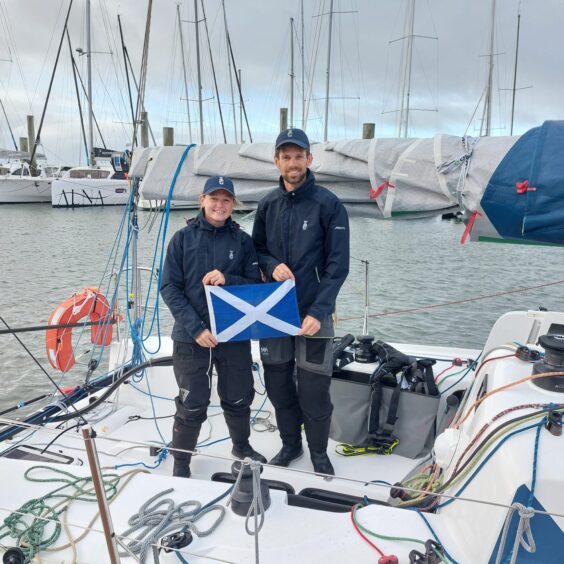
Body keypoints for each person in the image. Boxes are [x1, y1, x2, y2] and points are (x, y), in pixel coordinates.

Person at [252, 128, 350, 475]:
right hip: (274, 314)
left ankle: (319, 453)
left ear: (309, 159)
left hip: (315, 313)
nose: (293, 163)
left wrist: (319, 311)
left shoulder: (329, 205)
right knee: (279, 386)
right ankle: (291, 445)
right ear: (276, 161)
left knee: (314, 390)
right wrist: (269, 264)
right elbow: (257, 251)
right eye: (286, 156)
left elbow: (339, 267)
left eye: (299, 156)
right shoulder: (267, 204)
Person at [161, 175, 266, 478]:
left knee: (238, 396)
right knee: (192, 401)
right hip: (191, 336)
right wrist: (195, 328)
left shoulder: (243, 241)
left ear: (233, 204)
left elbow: (252, 285)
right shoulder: (181, 239)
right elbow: (169, 288)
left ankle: (241, 446)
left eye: (226, 200)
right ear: (202, 200)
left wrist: (228, 279)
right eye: (214, 198)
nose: (220, 205)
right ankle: (182, 461)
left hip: (233, 334)